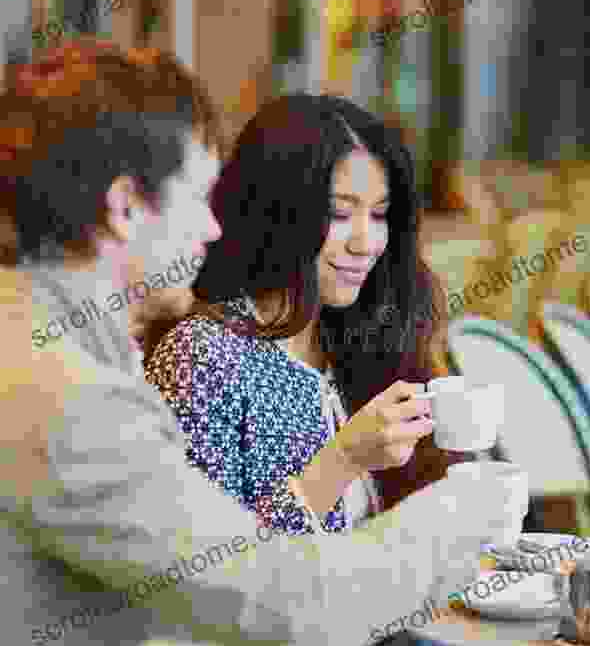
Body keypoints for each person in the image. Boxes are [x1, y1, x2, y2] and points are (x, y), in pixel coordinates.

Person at [0, 40, 523, 646]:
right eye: (197, 198)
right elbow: (269, 599)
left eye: (380, 214)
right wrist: (455, 518)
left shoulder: (66, 345)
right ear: (126, 208)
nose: (213, 228)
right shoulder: (71, 396)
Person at [145, 93, 458, 535]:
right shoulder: (203, 357)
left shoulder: (366, 337)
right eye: (340, 213)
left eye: (381, 214)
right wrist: (342, 458)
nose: (366, 242)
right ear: (274, 213)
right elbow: (203, 579)